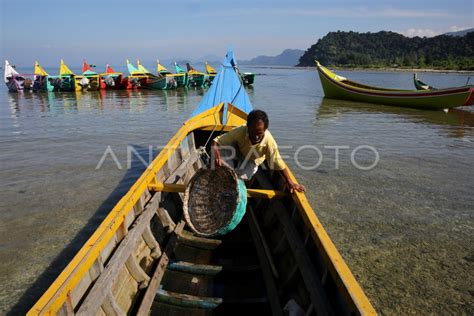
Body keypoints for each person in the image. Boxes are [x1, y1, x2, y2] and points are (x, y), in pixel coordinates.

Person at [211, 109, 305, 193]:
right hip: (238, 151)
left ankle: (232, 181)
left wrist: (290, 182)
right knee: (220, 158)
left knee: (240, 177)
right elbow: (216, 141)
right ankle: (226, 174)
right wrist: (216, 157)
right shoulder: (241, 130)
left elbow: (278, 163)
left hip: (252, 160)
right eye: (253, 132)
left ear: (265, 130)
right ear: (247, 126)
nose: (256, 137)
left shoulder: (269, 142)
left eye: (259, 133)